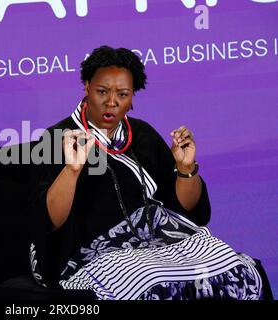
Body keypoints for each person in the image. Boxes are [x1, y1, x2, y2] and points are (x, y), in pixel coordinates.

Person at [28, 45, 263, 300]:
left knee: (237, 269)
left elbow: (189, 210)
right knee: (153, 283)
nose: (111, 102)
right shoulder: (56, 139)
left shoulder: (142, 135)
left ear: (132, 97)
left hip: (158, 243)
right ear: (86, 87)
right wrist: (72, 171)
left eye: (122, 94)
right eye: (102, 91)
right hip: (86, 253)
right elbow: (47, 221)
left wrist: (186, 170)